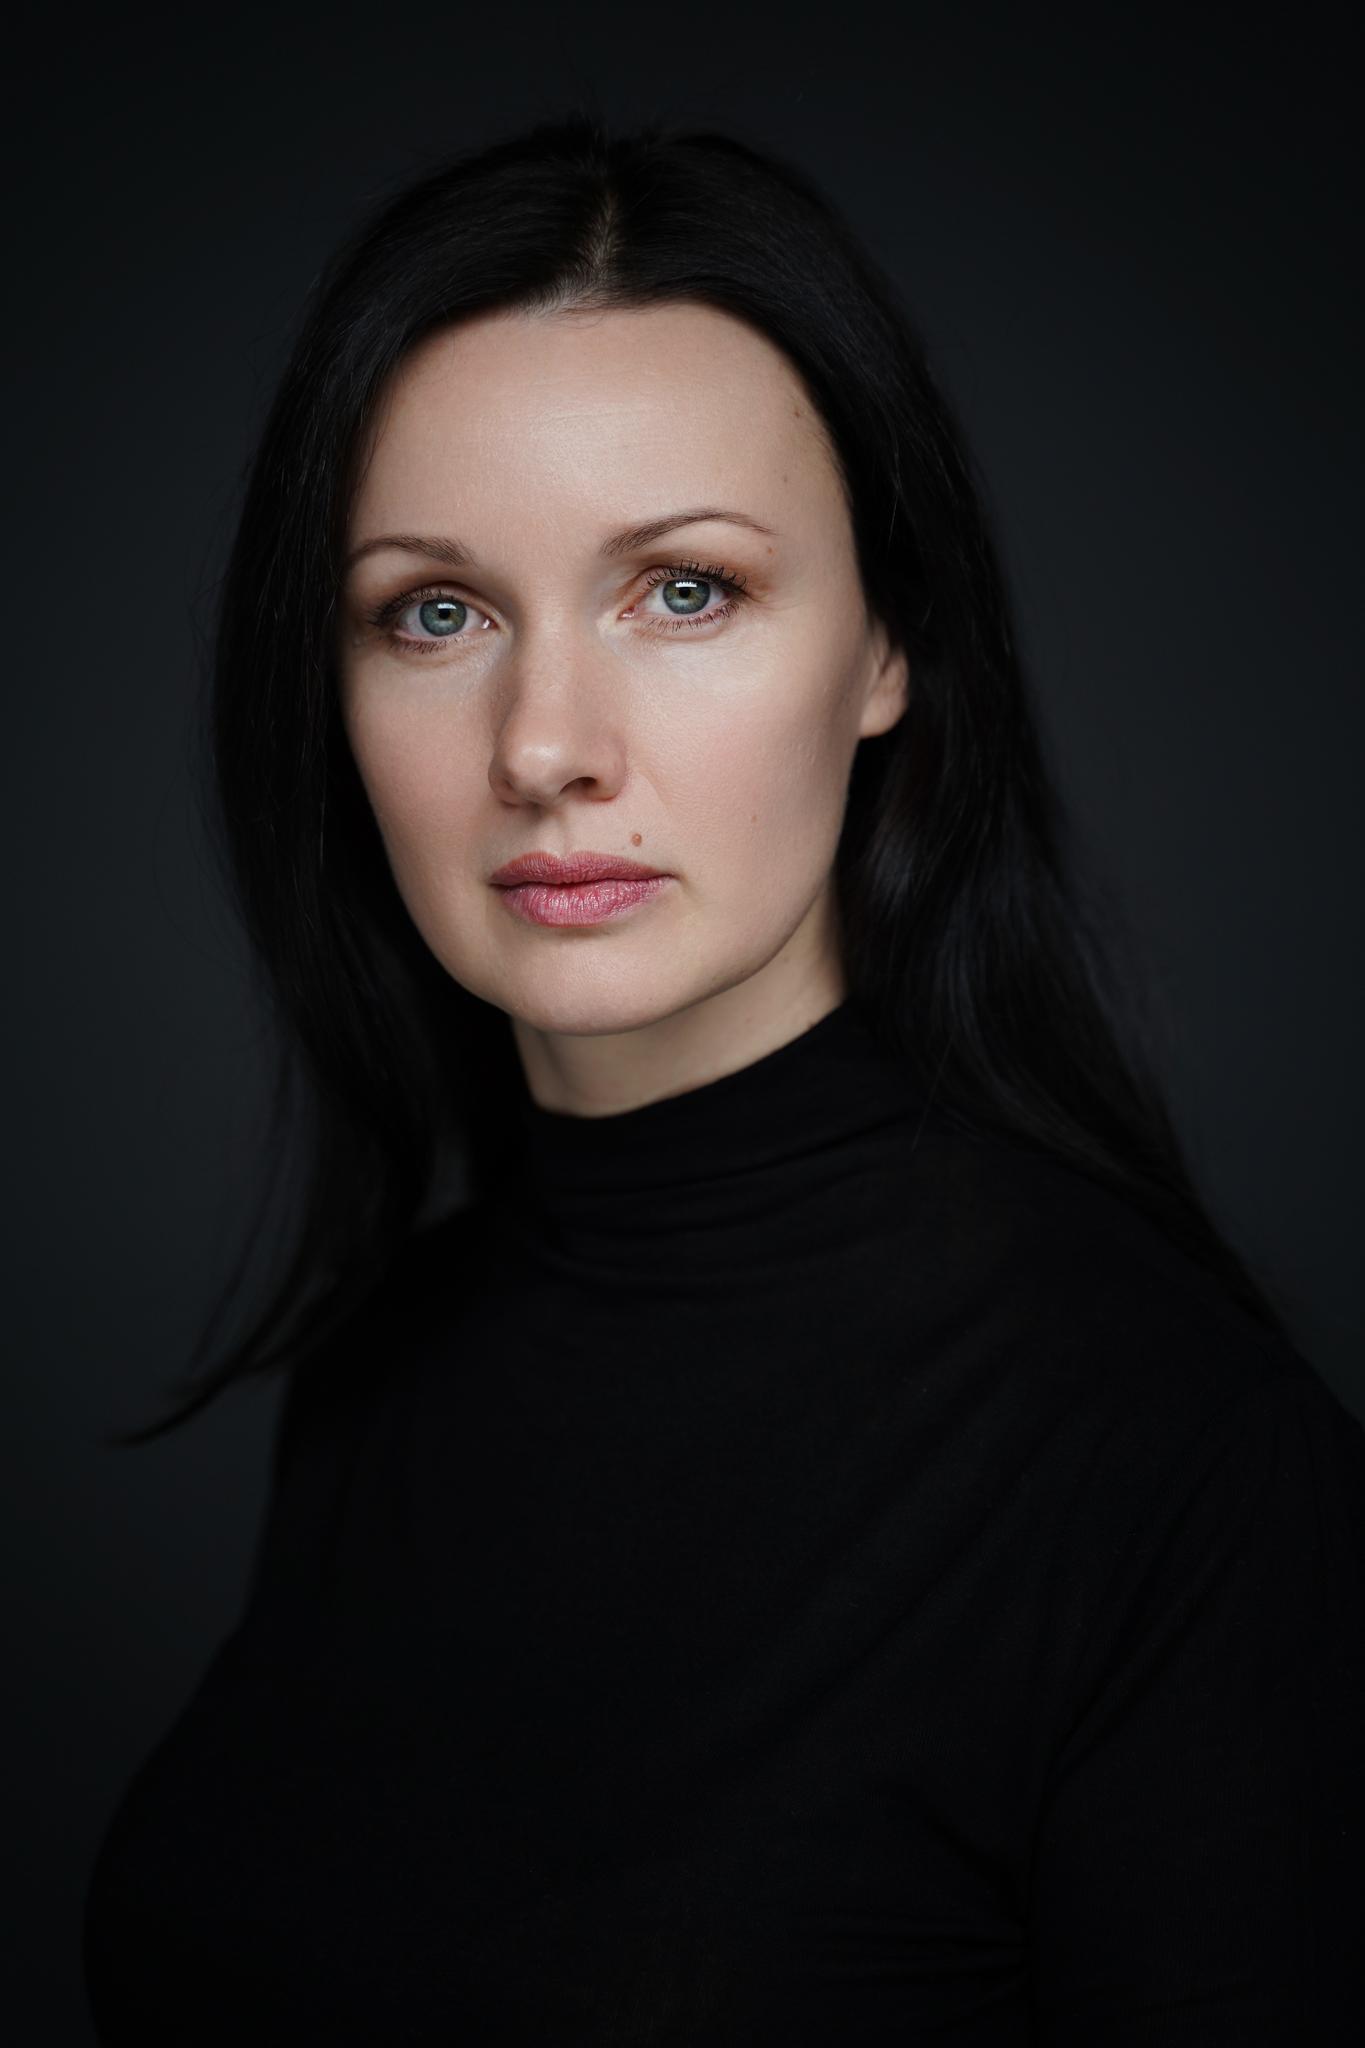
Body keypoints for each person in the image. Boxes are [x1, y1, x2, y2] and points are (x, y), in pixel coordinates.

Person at [82, 112, 1365, 2043]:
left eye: (683, 590)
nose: (544, 746)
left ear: (887, 648)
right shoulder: (386, 1362)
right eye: (435, 612)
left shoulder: (1188, 1472)